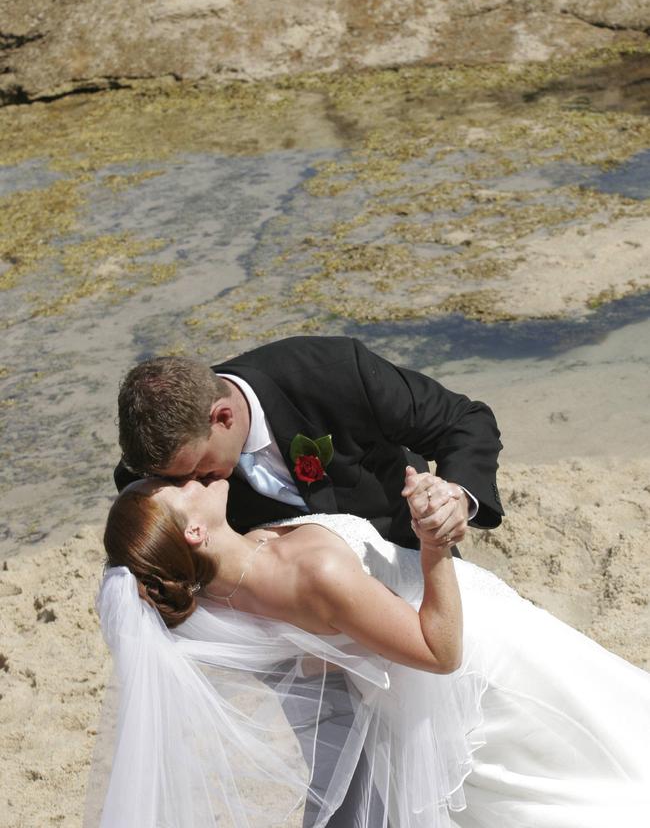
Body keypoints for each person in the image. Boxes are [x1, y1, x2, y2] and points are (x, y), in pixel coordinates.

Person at [89, 471, 650, 828]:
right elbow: (440, 651)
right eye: (180, 489)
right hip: (484, 660)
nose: (192, 478)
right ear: (192, 534)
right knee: (604, 764)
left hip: (418, 696)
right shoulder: (314, 570)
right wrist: (434, 546)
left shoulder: (216, 600)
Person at [114, 335, 504, 552]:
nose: (193, 486)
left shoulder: (335, 373)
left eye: (198, 470)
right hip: (299, 620)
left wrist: (456, 497)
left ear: (223, 418)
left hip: (407, 549)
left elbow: (463, 420)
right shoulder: (151, 469)